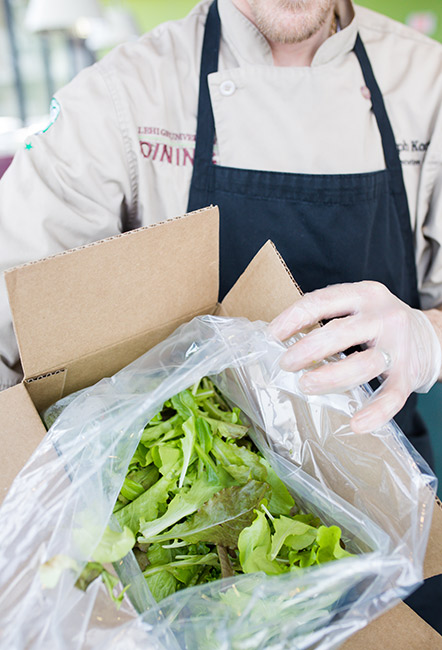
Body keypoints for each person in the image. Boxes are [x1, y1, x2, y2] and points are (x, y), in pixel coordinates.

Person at [0, 0, 441, 630]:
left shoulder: (429, 87)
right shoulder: (121, 100)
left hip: (389, 518)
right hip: (159, 589)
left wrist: (429, 335)